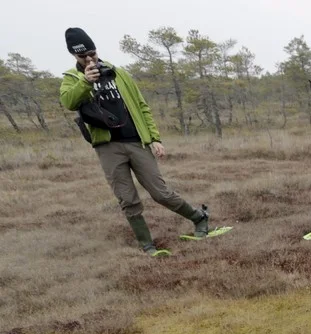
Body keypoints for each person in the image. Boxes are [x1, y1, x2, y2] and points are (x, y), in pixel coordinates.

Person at [58, 28, 211, 256]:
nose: (90, 59)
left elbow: (141, 106)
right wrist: (85, 82)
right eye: (83, 56)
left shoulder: (119, 73)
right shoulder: (71, 79)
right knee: (127, 199)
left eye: (92, 53)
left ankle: (199, 218)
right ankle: (147, 246)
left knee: (161, 193)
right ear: (74, 56)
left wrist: (155, 138)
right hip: (107, 147)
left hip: (136, 142)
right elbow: (68, 102)